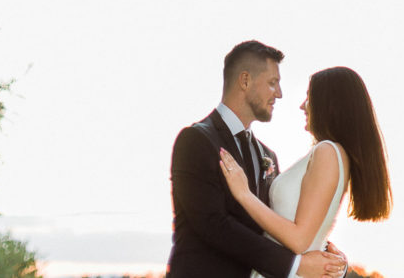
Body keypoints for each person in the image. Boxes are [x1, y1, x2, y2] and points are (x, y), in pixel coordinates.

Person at [167, 40, 348, 278]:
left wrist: (330, 262)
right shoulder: (195, 140)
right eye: (273, 83)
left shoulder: (267, 156)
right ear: (245, 80)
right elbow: (213, 225)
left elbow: (278, 223)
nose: (280, 94)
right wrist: (296, 266)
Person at [219, 66, 392, 275]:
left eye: (309, 97)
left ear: (329, 105)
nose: (302, 106)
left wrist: (244, 194)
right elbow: (306, 231)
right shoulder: (331, 154)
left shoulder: (327, 152)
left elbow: (299, 240)